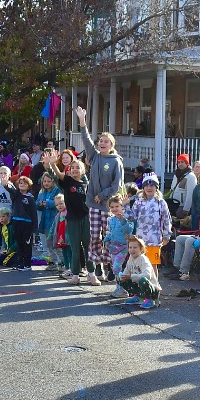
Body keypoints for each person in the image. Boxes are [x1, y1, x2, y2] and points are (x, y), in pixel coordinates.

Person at [75, 107, 124, 283]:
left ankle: (112, 266)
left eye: (106, 141)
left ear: (111, 145)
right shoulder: (94, 156)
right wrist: (82, 120)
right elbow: (86, 138)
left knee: (109, 237)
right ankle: (97, 268)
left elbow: (116, 185)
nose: (102, 143)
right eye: (100, 141)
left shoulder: (115, 161)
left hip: (108, 205)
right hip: (93, 205)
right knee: (95, 237)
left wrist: (102, 195)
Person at [117, 234, 161, 309]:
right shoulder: (130, 259)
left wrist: (131, 277)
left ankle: (150, 300)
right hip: (139, 287)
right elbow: (126, 272)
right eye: (130, 247)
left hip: (152, 289)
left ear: (141, 249)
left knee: (142, 280)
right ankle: (138, 297)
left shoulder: (143, 259)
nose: (132, 249)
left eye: (135, 247)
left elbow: (147, 275)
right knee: (121, 279)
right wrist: (122, 277)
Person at [104, 194, 134, 297]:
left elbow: (128, 230)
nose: (114, 209)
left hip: (124, 246)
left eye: (117, 206)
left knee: (117, 266)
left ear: (122, 207)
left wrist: (122, 220)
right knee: (115, 268)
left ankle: (123, 289)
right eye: (112, 207)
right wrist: (106, 239)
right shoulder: (111, 220)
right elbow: (111, 232)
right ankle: (119, 286)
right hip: (113, 247)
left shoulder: (126, 217)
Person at [10, 176, 37, 270]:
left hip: (27, 224)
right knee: (19, 243)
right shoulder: (16, 195)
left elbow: (34, 213)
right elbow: (9, 188)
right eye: (20, 183)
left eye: (25, 183)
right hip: (16, 221)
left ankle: (27, 264)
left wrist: (34, 227)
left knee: (26, 244)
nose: (22, 185)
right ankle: (20, 262)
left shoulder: (30, 198)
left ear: (29, 186)